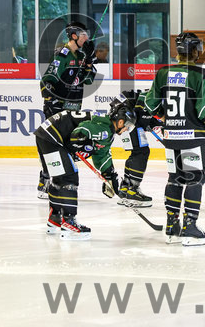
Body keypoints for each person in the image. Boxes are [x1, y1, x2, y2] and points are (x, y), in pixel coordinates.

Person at [143, 32, 205, 246]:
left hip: (170, 137)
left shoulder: (163, 73)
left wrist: (165, 119)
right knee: (194, 179)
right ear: (195, 50)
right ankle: (190, 226)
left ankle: (171, 226)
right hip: (192, 138)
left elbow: (149, 104)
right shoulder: (202, 74)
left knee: (174, 178)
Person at [35, 99, 135, 240]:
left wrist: (109, 174)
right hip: (52, 137)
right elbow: (82, 130)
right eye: (128, 126)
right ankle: (69, 222)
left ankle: (55, 217)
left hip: (45, 135)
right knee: (69, 177)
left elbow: (102, 154)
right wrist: (80, 139)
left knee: (59, 177)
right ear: (120, 121)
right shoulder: (104, 129)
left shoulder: (105, 126)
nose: (126, 129)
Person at [37, 21, 96, 199]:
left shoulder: (81, 56)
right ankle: (46, 179)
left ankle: (61, 182)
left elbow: (88, 81)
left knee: (68, 147)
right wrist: (50, 100)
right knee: (53, 145)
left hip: (73, 108)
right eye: (83, 34)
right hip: (57, 107)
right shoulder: (62, 55)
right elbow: (47, 80)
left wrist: (90, 62)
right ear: (73, 36)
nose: (87, 37)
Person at [114, 89, 163, 207]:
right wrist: (151, 123)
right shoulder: (158, 96)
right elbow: (143, 110)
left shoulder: (159, 93)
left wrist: (155, 123)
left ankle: (125, 188)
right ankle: (133, 190)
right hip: (126, 118)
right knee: (141, 152)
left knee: (137, 152)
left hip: (124, 116)